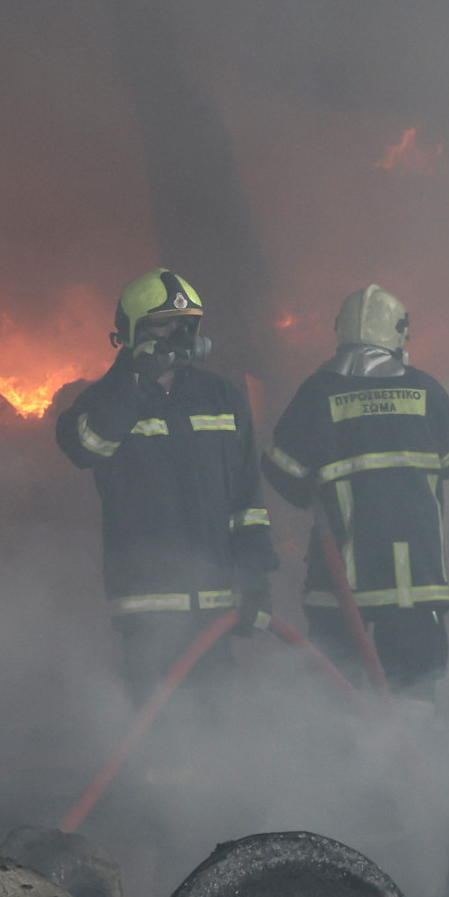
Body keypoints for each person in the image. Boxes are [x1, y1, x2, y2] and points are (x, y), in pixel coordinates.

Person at [56, 269, 277, 703]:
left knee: (217, 724)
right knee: (155, 728)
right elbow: (85, 448)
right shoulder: (103, 401)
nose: (178, 335)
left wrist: (255, 573)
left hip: (216, 609)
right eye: (163, 325)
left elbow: (247, 498)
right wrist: (136, 385)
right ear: (131, 333)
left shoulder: (224, 398)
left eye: (186, 325)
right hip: (147, 613)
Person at [263, 284, 449, 699]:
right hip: (414, 584)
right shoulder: (426, 391)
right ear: (398, 331)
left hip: (340, 585)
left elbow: (283, 472)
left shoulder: (317, 393)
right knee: (414, 701)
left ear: (340, 330)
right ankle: (412, 743)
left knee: (338, 702)